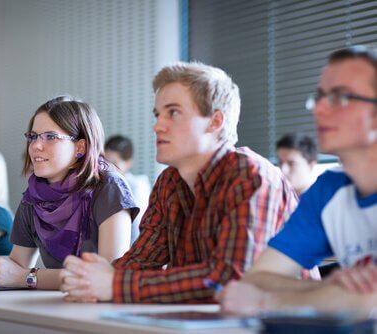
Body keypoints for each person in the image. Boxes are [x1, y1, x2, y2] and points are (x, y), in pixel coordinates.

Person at [60, 62, 298, 304]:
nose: (157, 125)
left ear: (215, 122)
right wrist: (91, 277)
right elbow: (141, 261)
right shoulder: (169, 182)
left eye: (173, 112)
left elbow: (231, 279)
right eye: (157, 114)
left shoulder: (252, 175)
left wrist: (114, 283)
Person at [219, 45, 377, 315]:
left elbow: (369, 302)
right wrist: (330, 288)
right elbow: (256, 281)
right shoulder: (329, 190)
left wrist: (267, 303)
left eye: (339, 97)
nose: (319, 110)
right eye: (319, 97)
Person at [0, 97, 139, 290]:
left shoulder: (109, 187)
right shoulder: (33, 196)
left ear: (80, 147)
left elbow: (108, 275)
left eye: (50, 137)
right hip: (59, 306)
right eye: (33, 136)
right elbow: (19, 266)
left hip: (106, 310)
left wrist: (27, 277)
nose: (36, 145)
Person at [105, 135, 151, 243]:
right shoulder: (103, 184)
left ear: (128, 163)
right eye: (105, 161)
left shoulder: (138, 186)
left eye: (114, 163)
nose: (108, 167)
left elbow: (139, 228)